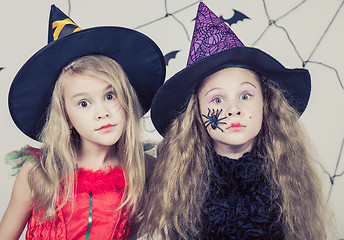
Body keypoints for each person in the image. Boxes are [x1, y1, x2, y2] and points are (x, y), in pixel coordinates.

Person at [139, 2, 329, 240]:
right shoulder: (178, 184)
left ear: (265, 103)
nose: (233, 109)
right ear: (196, 112)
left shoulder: (290, 179)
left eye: (245, 95)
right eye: (217, 100)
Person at [0, 4, 165, 240]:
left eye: (109, 95)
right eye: (83, 103)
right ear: (66, 117)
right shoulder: (38, 171)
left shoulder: (144, 169)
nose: (102, 112)